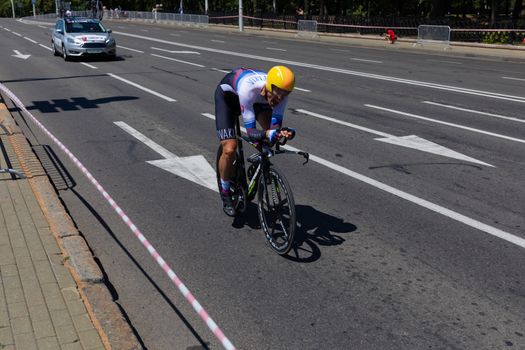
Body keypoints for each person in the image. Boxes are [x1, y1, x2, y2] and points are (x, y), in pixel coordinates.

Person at [215, 66, 296, 216]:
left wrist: (281, 133)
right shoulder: (248, 89)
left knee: (269, 141)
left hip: (258, 101)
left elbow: (274, 128)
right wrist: (268, 134)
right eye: (277, 94)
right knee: (230, 148)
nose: (280, 98)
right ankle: (225, 191)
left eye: (285, 94)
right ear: (269, 85)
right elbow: (252, 132)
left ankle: (258, 165)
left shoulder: (281, 95)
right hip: (228, 98)